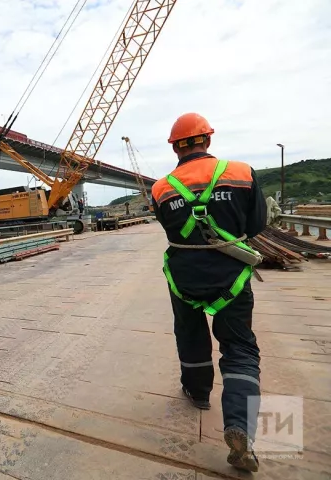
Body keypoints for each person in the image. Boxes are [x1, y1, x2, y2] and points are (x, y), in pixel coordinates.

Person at [151, 113, 267, 473]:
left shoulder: (161, 188)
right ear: (208, 141)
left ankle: (198, 392)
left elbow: (170, 229)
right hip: (230, 275)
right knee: (239, 347)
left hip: (184, 277)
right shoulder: (242, 173)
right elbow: (257, 224)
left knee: (190, 333)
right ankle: (240, 426)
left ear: (175, 147)